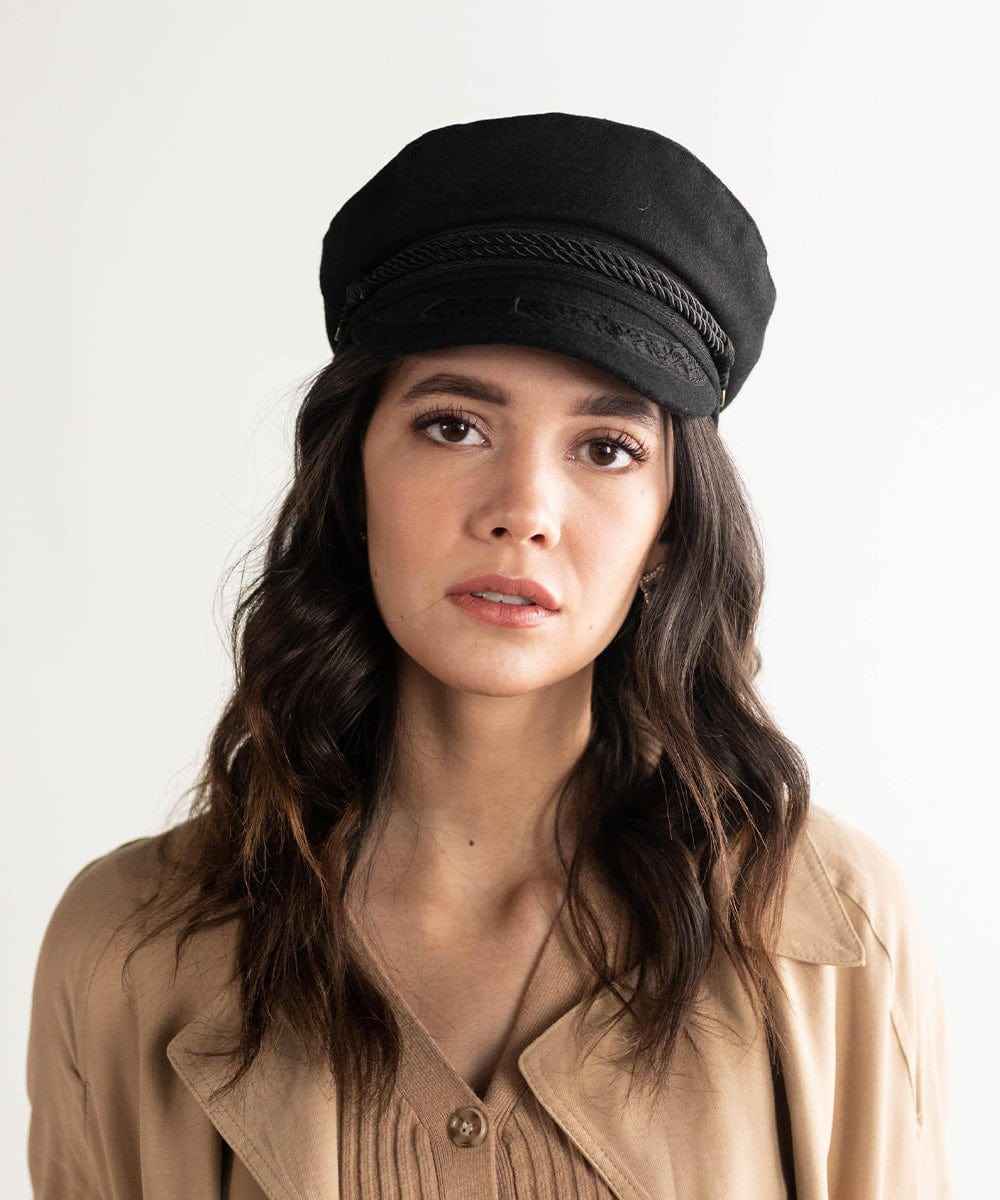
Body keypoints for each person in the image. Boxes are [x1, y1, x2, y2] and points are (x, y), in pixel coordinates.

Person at [26, 112, 952, 1198]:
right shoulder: (131, 948)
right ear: (351, 480)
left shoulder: (821, 929)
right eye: (453, 426)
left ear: (668, 532)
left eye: (605, 449)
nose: (524, 510)